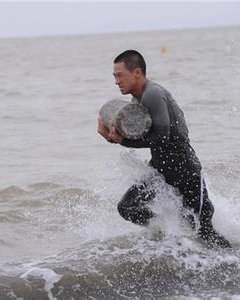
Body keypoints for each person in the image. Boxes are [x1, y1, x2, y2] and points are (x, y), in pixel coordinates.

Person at [97, 50, 231, 248]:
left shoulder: (153, 94)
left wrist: (121, 141)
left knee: (205, 231)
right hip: (160, 172)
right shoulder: (137, 100)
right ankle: (168, 232)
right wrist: (110, 136)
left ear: (137, 73)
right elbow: (137, 136)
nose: (116, 81)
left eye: (120, 75)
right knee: (127, 208)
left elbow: (162, 136)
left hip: (186, 172)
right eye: (114, 76)